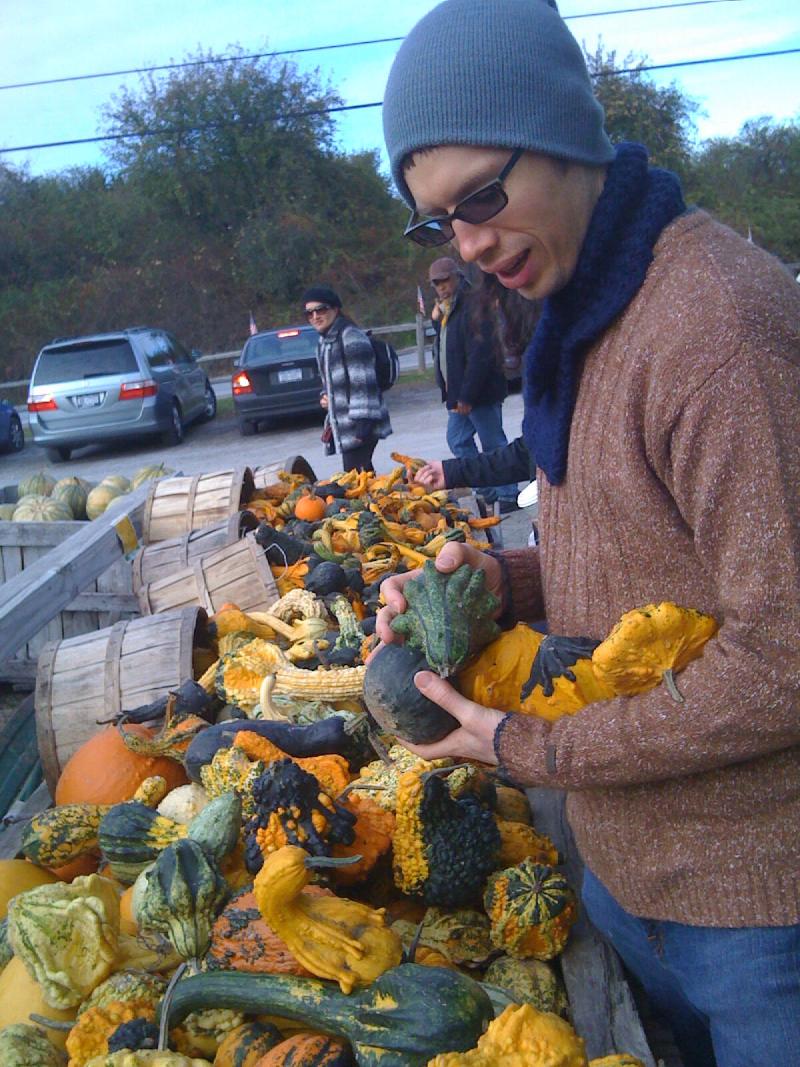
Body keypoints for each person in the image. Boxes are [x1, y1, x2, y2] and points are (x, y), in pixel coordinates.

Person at [378, 2, 800, 1065]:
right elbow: (648, 551)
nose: (467, 242)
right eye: (435, 221)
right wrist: (498, 584)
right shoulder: (588, 308)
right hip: (630, 884)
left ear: (566, 135)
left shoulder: (717, 330)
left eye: (480, 196)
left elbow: (784, 653)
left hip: (757, 910)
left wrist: (528, 746)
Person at [428, 256, 519, 512]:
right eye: (436, 283)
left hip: (481, 393)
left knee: (493, 443)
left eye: (445, 280)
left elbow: (481, 354)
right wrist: (436, 320)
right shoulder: (448, 310)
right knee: (457, 439)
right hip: (458, 395)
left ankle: (508, 495)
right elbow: (450, 350)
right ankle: (487, 490)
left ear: (457, 277)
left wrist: (467, 396)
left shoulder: (474, 305)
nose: (442, 286)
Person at [303, 286, 392, 472]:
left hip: (361, 423)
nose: (315, 317)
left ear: (335, 309)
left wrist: (363, 426)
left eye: (321, 310)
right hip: (343, 424)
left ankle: (375, 502)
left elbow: (363, 383)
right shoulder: (324, 343)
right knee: (362, 475)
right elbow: (329, 381)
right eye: (309, 313)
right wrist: (324, 396)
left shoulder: (351, 337)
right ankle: (377, 501)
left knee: (355, 478)